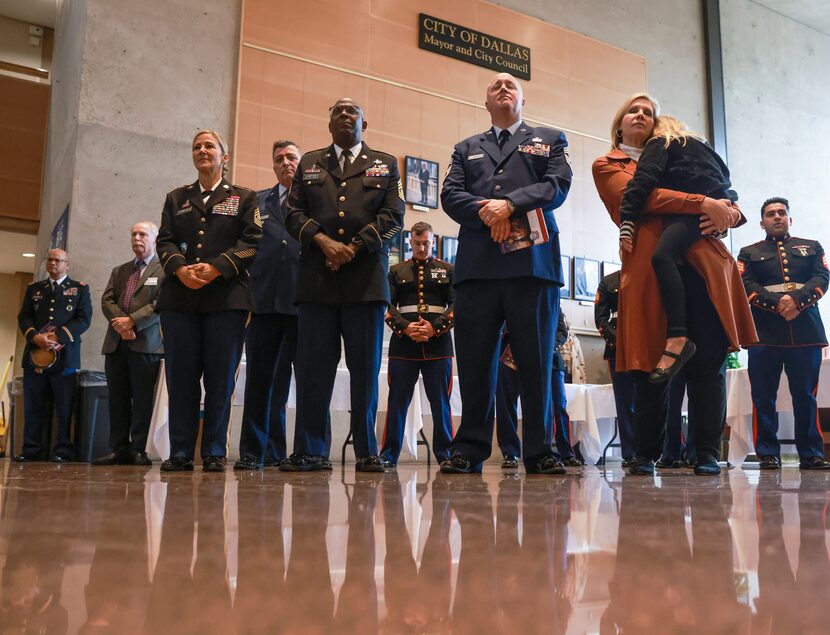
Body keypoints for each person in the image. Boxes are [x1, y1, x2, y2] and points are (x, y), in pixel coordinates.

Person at [592, 92, 757, 475]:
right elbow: (644, 197)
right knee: (652, 365)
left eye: (648, 112)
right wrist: (704, 203)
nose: (641, 115)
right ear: (619, 124)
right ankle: (646, 454)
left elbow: (723, 192)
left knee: (709, 362)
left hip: (703, 269)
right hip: (652, 272)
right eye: (632, 109)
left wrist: (729, 210)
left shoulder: (675, 149)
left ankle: (706, 454)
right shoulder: (608, 164)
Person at [440, 72, 572, 475]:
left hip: (532, 269)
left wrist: (509, 205)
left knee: (535, 363)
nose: (503, 88)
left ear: (523, 101)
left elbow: (558, 186)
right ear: (486, 103)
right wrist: (488, 212)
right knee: (477, 364)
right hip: (478, 269)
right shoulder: (466, 148)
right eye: (495, 86)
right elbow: (449, 195)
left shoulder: (551, 138)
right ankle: (470, 449)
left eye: (511, 84)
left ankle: (539, 451)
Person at [280, 97, 404, 472]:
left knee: (365, 371)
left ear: (364, 124)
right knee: (314, 370)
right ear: (329, 123)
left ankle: (367, 451)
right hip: (317, 279)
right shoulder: (310, 162)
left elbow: (394, 215)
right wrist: (324, 242)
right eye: (337, 111)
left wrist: (352, 247)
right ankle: (311, 450)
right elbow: (291, 212)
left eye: (353, 112)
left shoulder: (386, 163)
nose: (345, 115)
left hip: (364, 281)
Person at [155, 129, 262, 472]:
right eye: (197, 146)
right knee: (182, 379)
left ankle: (214, 451)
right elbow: (164, 242)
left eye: (209, 146)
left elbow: (252, 242)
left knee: (219, 380)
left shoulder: (245, 197)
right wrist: (180, 269)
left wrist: (217, 268)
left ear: (224, 157)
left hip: (226, 301)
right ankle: (181, 452)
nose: (202, 150)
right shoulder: (176, 198)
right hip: (180, 300)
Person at [618, 115, 737, 383]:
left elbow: (643, 181)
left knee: (661, 256)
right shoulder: (705, 148)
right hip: (708, 217)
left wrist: (627, 219)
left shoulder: (660, 143)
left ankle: (677, 337)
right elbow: (727, 184)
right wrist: (726, 212)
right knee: (709, 379)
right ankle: (679, 336)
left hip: (689, 213)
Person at [738, 197, 830, 470]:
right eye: (770, 214)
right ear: (762, 222)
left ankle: (811, 454)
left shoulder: (812, 247)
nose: (777, 217)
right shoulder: (748, 252)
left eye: (781, 213)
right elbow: (744, 284)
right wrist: (777, 304)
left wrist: (797, 302)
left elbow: (822, 277)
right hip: (764, 334)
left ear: (790, 218)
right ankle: (767, 453)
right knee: (763, 396)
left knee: (806, 395)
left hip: (806, 333)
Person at [235, 140, 303, 470]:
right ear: (273, 166)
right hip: (263, 303)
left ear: (301, 163)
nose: (286, 162)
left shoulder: (315, 201)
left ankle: (298, 451)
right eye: (280, 159)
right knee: (261, 382)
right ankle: (253, 451)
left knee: (304, 384)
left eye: (291, 157)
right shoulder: (256, 202)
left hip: (304, 303)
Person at [380, 222, 455, 467]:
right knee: (397, 403)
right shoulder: (396, 271)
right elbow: (386, 305)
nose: (422, 248)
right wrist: (405, 327)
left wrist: (436, 327)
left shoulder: (447, 270)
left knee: (441, 403)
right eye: (417, 243)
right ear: (410, 242)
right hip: (404, 344)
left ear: (433, 242)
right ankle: (388, 455)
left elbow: (458, 305)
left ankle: (445, 456)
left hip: (438, 345)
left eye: (426, 243)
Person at [94, 221, 164, 466]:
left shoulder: (164, 270)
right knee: (117, 398)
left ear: (155, 239)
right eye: (133, 234)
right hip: (116, 343)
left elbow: (160, 304)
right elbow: (107, 300)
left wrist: (132, 322)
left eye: (142, 234)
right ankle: (118, 448)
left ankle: (139, 449)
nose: (137, 238)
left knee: (143, 399)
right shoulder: (120, 270)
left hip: (146, 344)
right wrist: (121, 324)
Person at [15, 248, 92, 462]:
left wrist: (58, 336)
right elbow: (25, 317)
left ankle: (62, 451)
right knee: (34, 405)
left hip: (65, 357)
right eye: (50, 260)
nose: (53, 264)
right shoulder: (34, 289)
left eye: (58, 260)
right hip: (36, 355)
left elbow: (84, 319)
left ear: (67, 264)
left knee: (65, 407)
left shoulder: (79, 290)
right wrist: (34, 337)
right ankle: (31, 450)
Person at [495, 313, 581, 468]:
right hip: (511, 355)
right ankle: (510, 453)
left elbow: (561, 330)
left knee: (559, 406)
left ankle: (566, 452)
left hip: (549, 358)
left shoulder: (549, 296)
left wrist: (546, 348)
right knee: (506, 404)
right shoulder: (508, 297)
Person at [594, 269, 637, 466]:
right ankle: (630, 453)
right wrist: (617, 341)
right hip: (617, 347)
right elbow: (601, 318)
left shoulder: (650, 274)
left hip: (645, 343)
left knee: (650, 399)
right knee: (624, 401)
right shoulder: (609, 281)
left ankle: (650, 449)